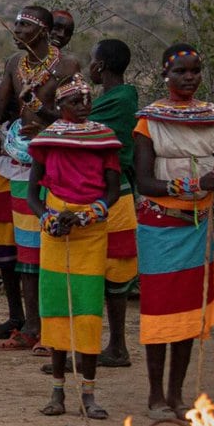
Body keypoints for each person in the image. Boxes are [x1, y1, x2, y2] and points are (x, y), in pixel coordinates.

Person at [130, 45, 214, 418]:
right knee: (159, 313)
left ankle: (177, 395)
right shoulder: (148, 122)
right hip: (159, 226)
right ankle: (155, 396)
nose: (188, 78)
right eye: (180, 72)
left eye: (195, 71)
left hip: (198, 227)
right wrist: (195, 184)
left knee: (188, 315)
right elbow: (144, 182)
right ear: (165, 76)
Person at [0, 4, 85, 352]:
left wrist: (43, 112)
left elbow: (78, 113)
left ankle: (50, 327)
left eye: (24, 26)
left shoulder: (67, 66)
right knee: (25, 249)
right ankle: (31, 326)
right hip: (18, 161)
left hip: (52, 162)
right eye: (15, 25)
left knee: (47, 247)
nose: (17, 31)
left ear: (43, 31)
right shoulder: (14, 65)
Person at [27, 77, 122, 419]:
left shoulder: (104, 140)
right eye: (75, 100)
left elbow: (112, 191)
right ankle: (57, 392)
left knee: (87, 308)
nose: (83, 105)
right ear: (59, 106)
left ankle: (89, 392)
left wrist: (89, 214)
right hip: (54, 229)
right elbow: (31, 195)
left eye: (87, 98)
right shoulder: (48, 141)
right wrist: (48, 218)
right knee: (55, 308)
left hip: (91, 231)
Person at [86, 39, 140, 368]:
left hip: (113, 193)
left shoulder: (120, 100)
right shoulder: (116, 98)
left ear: (101, 66)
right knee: (104, 274)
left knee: (111, 275)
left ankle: (113, 346)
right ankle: (113, 346)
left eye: (93, 60)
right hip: (111, 192)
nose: (90, 66)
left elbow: (79, 128)